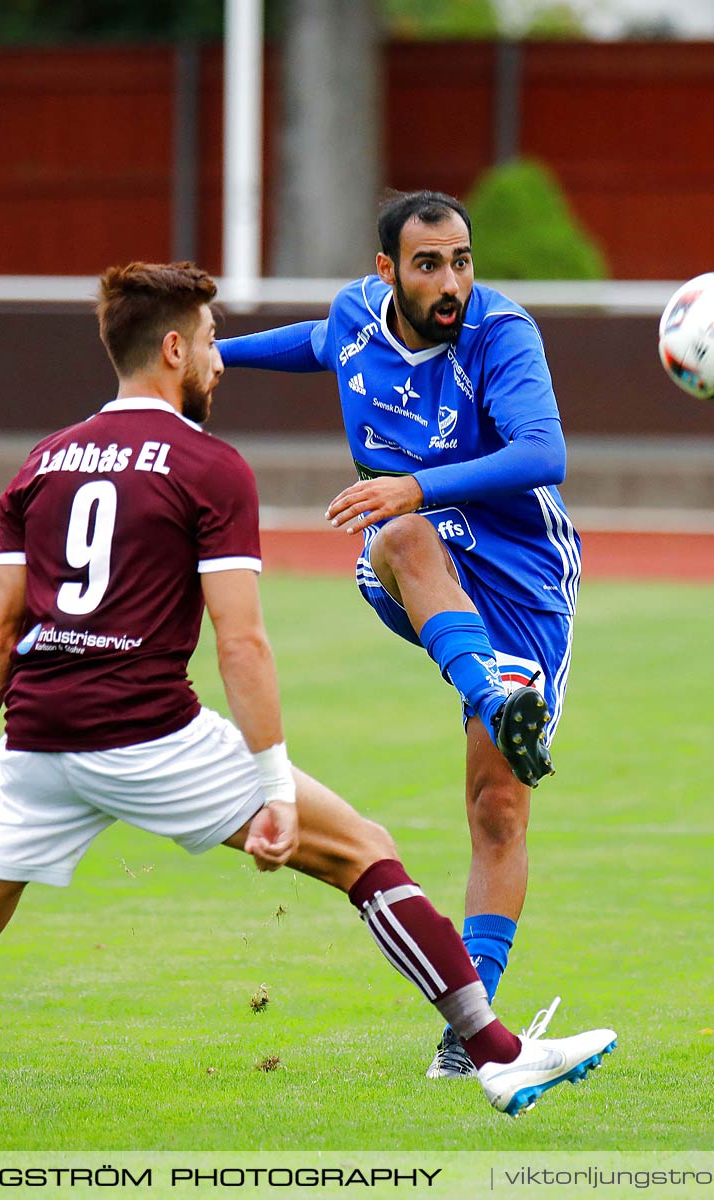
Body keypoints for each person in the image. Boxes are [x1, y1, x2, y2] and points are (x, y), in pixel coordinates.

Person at [0, 261, 613, 1136]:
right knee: (366, 854)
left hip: (37, 742)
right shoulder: (212, 469)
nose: (220, 356)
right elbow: (240, 641)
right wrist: (275, 787)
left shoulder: (42, 464)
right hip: (149, 735)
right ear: (174, 350)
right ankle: (497, 1057)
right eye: (210, 337)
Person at [215, 190, 580, 1079]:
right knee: (403, 540)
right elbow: (315, 344)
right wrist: (212, 357)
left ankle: (468, 1030)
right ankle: (493, 691)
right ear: (387, 272)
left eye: (461, 259)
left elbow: (544, 455)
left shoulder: (502, 333)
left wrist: (415, 483)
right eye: (429, 264)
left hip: (522, 578)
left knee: (498, 808)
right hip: (410, 553)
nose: (452, 280)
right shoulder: (355, 317)